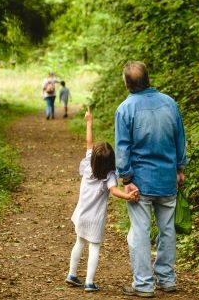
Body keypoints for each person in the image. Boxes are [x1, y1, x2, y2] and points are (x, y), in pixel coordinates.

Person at [115, 61, 187, 297]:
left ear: (127, 84)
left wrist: (126, 179)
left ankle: (144, 284)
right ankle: (167, 280)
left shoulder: (125, 109)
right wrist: (180, 167)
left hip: (140, 184)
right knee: (167, 230)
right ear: (148, 78)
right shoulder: (169, 103)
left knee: (140, 233)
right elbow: (179, 138)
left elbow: (123, 148)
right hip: (167, 179)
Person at [66, 108, 139, 292]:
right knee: (94, 247)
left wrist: (89, 121)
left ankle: (71, 274)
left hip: (81, 214)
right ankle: (89, 282)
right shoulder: (110, 176)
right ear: (111, 161)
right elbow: (115, 191)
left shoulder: (89, 163)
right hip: (95, 218)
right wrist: (128, 195)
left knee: (79, 243)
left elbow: (89, 142)